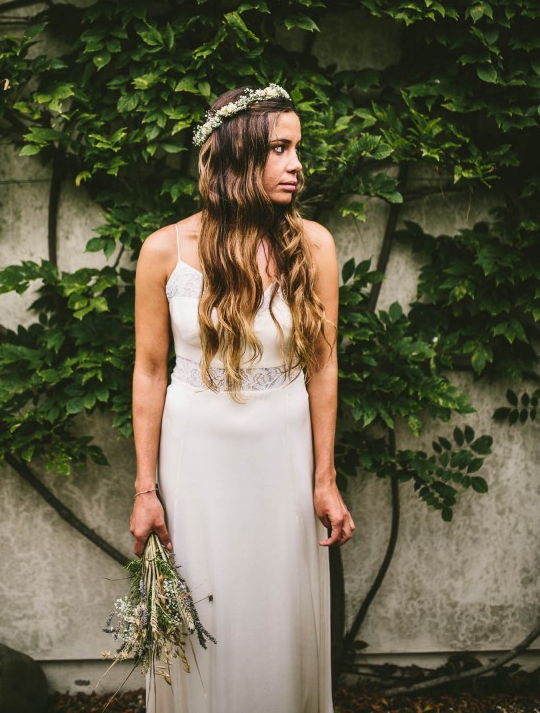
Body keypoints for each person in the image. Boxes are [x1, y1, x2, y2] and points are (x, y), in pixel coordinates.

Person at [130, 84, 355, 713]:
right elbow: (150, 372)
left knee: (279, 613)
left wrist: (325, 478)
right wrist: (146, 491)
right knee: (205, 610)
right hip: (196, 461)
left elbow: (322, 364)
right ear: (236, 157)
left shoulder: (313, 245)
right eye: (280, 149)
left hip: (283, 459)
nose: (296, 165)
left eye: (297, 149)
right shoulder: (163, 251)